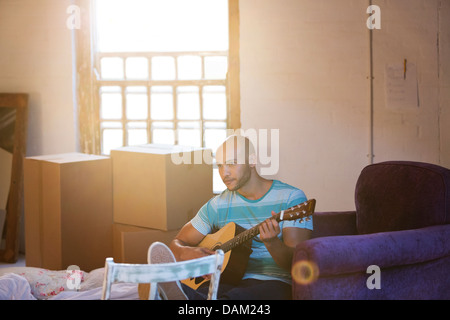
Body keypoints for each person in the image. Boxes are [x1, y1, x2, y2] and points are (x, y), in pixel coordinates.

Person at [168, 134, 313, 300]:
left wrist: (272, 243)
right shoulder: (217, 205)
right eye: (220, 165)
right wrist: (187, 252)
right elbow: (175, 244)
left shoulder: (291, 198)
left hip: (271, 283)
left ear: (252, 160)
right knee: (181, 292)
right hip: (226, 280)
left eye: (231, 163)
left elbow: (296, 263)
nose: (224, 173)